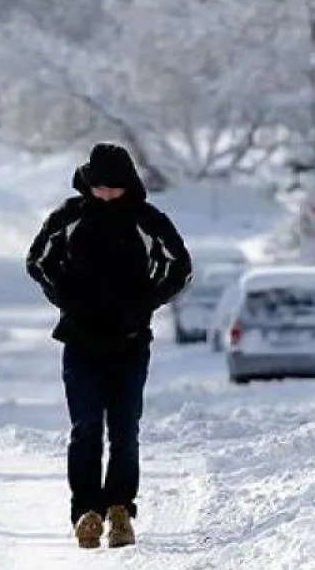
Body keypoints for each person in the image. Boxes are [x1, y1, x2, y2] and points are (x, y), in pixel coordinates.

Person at [25, 142, 192, 549]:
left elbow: (179, 265)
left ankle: (120, 510)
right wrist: (64, 297)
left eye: (114, 188)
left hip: (130, 343)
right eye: (99, 187)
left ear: (127, 184)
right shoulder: (70, 217)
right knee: (85, 429)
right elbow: (37, 261)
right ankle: (86, 511)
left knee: (124, 430)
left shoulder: (147, 220)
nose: (106, 194)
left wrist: (147, 302)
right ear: (89, 182)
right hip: (80, 341)